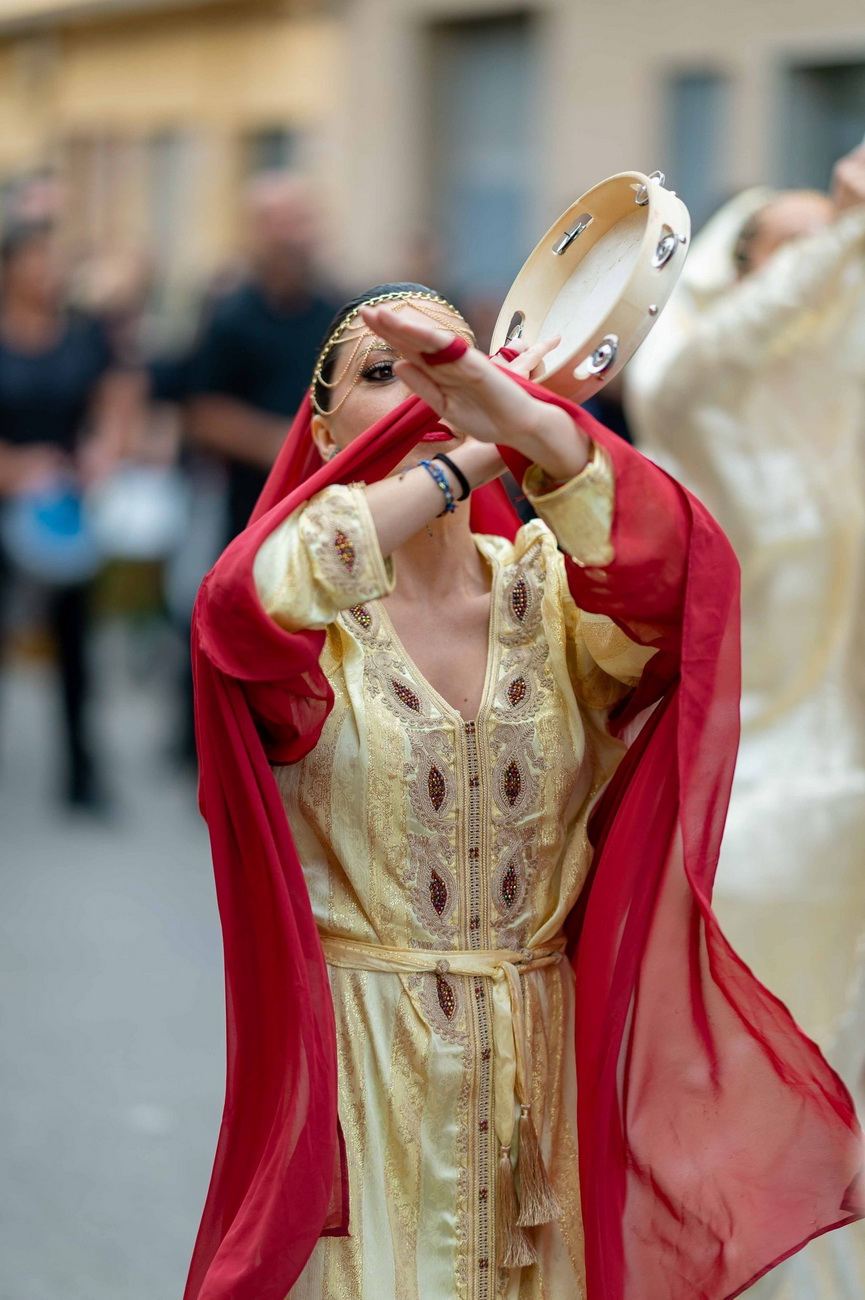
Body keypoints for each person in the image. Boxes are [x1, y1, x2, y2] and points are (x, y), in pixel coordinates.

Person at [185, 284, 863, 1300]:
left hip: (542, 1078)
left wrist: (535, 428)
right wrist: (468, 455)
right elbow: (245, 606)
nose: (424, 391)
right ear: (322, 436)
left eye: (449, 367)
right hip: (365, 1073)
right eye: (385, 373)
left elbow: (680, 580)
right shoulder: (313, 629)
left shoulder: (547, 592)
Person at [625, 147, 865, 1298]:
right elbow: (703, 364)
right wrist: (849, 230)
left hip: (844, 789)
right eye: (799, 249)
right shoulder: (693, 397)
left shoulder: (840, 419)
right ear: (742, 269)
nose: (831, 275)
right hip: (739, 791)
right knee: (741, 1056)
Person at [0, 221, 137, 808]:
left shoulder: (84, 337)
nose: (48, 272)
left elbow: (118, 399)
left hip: (65, 512)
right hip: (7, 499)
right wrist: (15, 467)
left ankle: (82, 774)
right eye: (37, 260)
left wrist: (104, 449)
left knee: (76, 644)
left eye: (55, 260)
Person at [186, 172, 338, 543]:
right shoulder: (228, 316)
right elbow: (202, 413)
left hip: (330, 512)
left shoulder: (340, 310)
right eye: (274, 222)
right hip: (254, 514)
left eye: (297, 220)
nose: (288, 236)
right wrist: (291, 446)